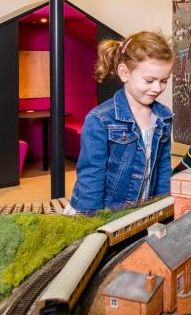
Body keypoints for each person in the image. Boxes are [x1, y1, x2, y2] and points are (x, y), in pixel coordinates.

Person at [68, 31, 174, 213]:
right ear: (125, 73)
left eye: (163, 81)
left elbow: (163, 168)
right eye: (149, 80)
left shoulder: (163, 117)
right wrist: (92, 226)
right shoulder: (100, 119)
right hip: (100, 215)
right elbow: (91, 177)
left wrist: (164, 210)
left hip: (140, 211)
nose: (157, 88)